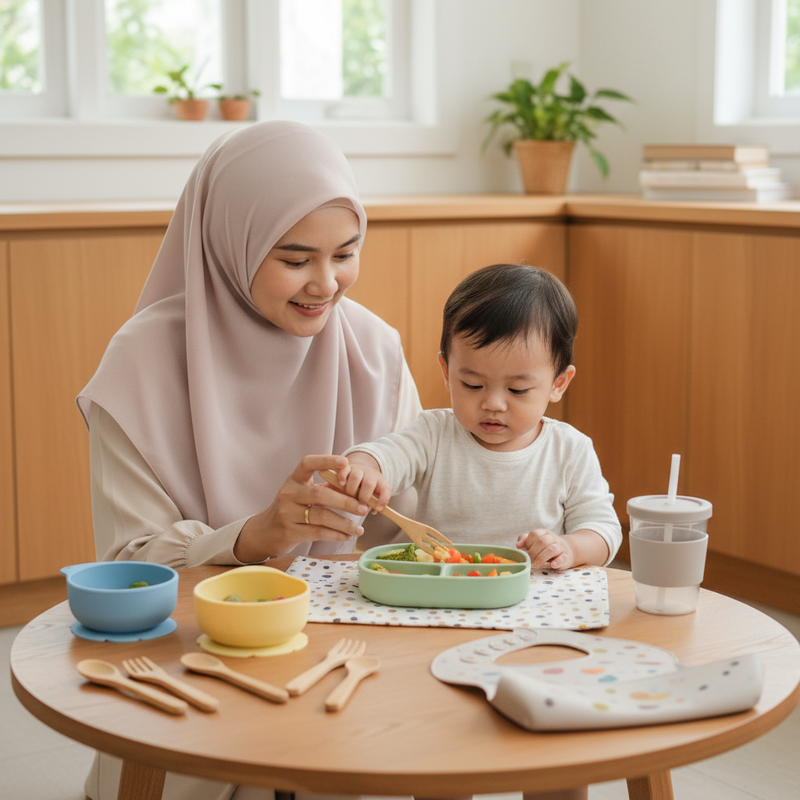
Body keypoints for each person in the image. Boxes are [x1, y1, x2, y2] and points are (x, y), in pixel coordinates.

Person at [76, 120, 421, 800]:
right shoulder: (142, 363)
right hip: (194, 682)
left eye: (346, 254)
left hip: (345, 683)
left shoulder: (375, 351)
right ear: (232, 241)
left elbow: (415, 537)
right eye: (295, 259)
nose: (326, 284)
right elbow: (129, 563)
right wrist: (253, 537)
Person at [337, 262, 621, 576]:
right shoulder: (435, 433)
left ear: (558, 384)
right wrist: (364, 467)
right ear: (447, 372)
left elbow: (603, 530)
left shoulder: (569, 450)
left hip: (530, 597)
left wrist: (570, 547)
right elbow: (388, 455)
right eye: (472, 385)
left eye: (518, 389)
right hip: (440, 592)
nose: (493, 403)